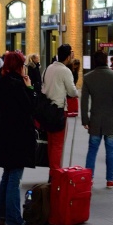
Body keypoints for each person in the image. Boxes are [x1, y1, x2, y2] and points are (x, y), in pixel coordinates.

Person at [0, 51, 37, 225]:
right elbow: (30, 107)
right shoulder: (18, 84)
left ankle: (4, 216)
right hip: (17, 133)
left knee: (7, 174)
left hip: (4, 130)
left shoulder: (2, 81)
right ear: (18, 66)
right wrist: (30, 88)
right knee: (15, 177)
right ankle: (13, 220)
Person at [80, 51, 113, 188]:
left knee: (92, 150)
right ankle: (110, 180)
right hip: (112, 120)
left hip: (95, 120)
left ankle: (88, 178)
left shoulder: (88, 77)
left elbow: (84, 101)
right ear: (106, 60)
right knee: (111, 151)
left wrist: (85, 120)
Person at [41, 44, 78, 176]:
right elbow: (72, 91)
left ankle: (52, 171)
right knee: (58, 144)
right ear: (68, 57)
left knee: (51, 143)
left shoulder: (48, 68)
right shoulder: (65, 71)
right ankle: (55, 174)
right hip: (58, 111)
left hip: (46, 109)